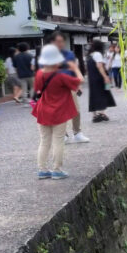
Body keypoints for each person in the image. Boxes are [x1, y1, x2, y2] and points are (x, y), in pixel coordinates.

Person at [33, 43, 83, 178]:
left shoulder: (39, 74)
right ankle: (57, 170)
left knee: (44, 141)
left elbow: (37, 90)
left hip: (43, 110)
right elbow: (80, 81)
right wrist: (75, 68)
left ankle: (42, 169)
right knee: (58, 140)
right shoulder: (61, 76)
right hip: (59, 112)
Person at [51, 32, 90, 144]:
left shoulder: (69, 54)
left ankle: (77, 133)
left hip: (69, 85)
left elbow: (74, 70)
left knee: (76, 110)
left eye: (61, 41)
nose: (60, 44)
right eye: (57, 41)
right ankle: (63, 135)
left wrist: (78, 85)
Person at [87, 39, 116, 122]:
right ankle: (102, 113)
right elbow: (100, 66)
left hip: (92, 79)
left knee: (93, 95)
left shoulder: (90, 55)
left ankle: (94, 115)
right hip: (99, 78)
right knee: (102, 94)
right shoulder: (98, 54)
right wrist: (105, 77)